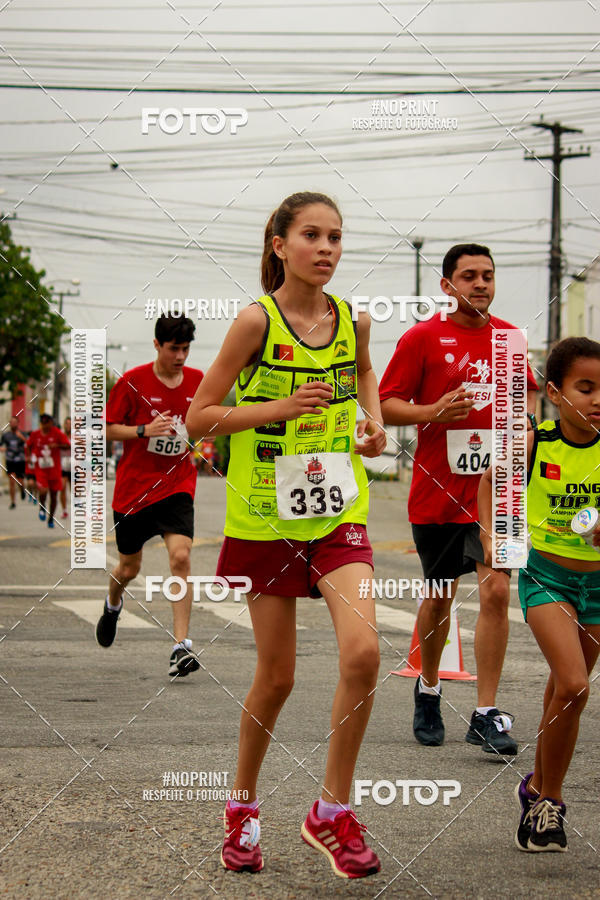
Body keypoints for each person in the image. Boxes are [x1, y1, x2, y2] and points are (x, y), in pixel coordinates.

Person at [186, 191, 386, 879]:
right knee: (277, 677)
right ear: (279, 245)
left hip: (337, 514)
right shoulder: (254, 322)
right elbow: (198, 419)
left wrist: (372, 420)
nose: (326, 249)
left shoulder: (354, 319)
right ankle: (241, 806)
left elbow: (362, 373)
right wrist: (278, 405)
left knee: (363, 653)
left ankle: (330, 811)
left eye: (335, 237)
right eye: (311, 235)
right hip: (265, 520)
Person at [380, 243, 538, 753]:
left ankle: (486, 714)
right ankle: (429, 687)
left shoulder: (510, 340)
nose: (481, 284)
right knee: (441, 596)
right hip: (438, 494)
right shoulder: (422, 337)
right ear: (447, 286)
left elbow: (528, 403)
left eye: (488, 275)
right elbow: (386, 405)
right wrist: (431, 411)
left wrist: (529, 430)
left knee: (495, 591)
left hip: (501, 494)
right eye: (469, 276)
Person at [479, 336, 600, 852]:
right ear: (554, 392)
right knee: (575, 686)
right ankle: (550, 800)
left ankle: (533, 787)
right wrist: (492, 540)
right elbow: (490, 484)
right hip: (546, 576)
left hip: (597, 583)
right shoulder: (533, 442)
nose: (597, 398)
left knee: (563, 692)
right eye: (586, 387)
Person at [95, 313, 204, 678]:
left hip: (177, 485)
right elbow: (107, 429)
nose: (181, 357)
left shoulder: (198, 381)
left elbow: (209, 417)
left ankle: (181, 646)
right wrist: (143, 429)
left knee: (181, 557)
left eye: (186, 349)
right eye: (174, 349)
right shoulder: (132, 382)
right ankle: (113, 604)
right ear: (157, 345)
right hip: (134, 491)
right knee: (129, 567)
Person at [25, 413, 70, 528]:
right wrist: (29, 457)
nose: (45, 426)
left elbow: (67, 445)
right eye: (43, 423)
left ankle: (51, 518)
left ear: (51, 423)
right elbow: (28, 445)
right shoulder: (35, 434)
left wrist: (57, 445)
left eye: (47, 423)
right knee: (43, 491)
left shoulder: (57, 433)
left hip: (54, 469)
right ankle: (42, 507)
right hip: (41, 469)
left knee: (54, 495)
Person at [1, 416, 26, 508]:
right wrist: (3, 449)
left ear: (18, 423)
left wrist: (22, 437)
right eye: (11, 422)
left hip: (20, 460)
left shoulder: (22, 433)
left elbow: (29, 444)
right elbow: (1, 445)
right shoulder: (6, 435)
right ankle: (13, 502)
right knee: (11, 481)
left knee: (20, 480)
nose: (13, 424)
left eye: (14, 422)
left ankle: (22, 489)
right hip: (10, 459)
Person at [59, 416, 71, 518]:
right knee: (62, 487)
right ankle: (64, 510)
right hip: (62, 465)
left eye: (70, 424)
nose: (68, 425)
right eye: (67, 423)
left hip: (74, 465)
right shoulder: (61, 436)